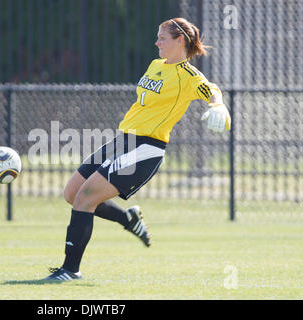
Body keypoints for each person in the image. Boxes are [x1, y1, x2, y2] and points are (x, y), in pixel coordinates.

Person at [44, 17, 231, 281]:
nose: (157, 42)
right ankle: (128, 220)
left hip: (146, 148)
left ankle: (70, 270)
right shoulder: (156, 64)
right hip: (123, 141)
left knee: (85, 197)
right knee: (72, 193)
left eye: (162, 38)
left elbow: (211, 90)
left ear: (180, 41)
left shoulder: (188, 76)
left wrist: (218, 105)